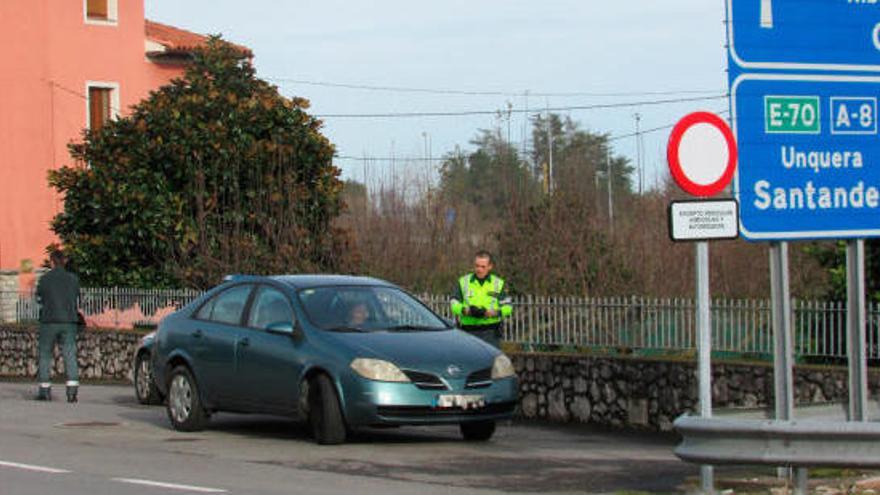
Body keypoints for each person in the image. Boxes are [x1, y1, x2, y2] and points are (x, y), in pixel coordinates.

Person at [35, 251, 81, 402]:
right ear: (64, 261)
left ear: (52, 262)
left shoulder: (45, 279)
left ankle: (45, 390)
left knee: (45, 354)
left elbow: (39, 297)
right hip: (69, 321)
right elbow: (76, 297)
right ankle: (72, 391)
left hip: (49, 321)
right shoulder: (73, 279)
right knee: (69, 353)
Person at [450, 251, 512, 348]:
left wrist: (494, 312)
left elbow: (508, 307)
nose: (479, 269)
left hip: (491, 333)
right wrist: (465, 310)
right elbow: (453, 303)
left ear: (490, 267)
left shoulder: (498, 283)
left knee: (491, 362)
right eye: (477, 266)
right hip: (468, 332)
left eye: (483, 267)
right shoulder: (463, 282)